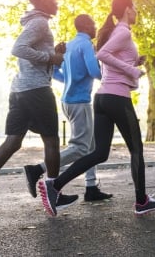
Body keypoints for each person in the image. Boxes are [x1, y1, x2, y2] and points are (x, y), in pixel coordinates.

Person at [38, 0, 155, 216]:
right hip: (117, 98)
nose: (136, 12)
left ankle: (54, 185)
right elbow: (103, 54)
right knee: (137, 149)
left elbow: (108, 60)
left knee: (99, 153)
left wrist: (133, 62)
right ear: (127, 9)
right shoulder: (123, 31)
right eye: (134, 8)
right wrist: (132, 70)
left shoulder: (116, 32)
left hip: (102, 98)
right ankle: (142, 201)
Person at [0, 0, 77, 220]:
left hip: (20, 90)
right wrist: (50, 57)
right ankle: (53, 191)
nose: (57, 3)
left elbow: (35, 56)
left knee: (13, 142)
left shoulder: (35, 22)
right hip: (36, 91)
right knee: (52, 140)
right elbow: (19, 49)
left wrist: (54, 53)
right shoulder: (40, 23)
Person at [23, 14, 112, 202]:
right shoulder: (86, 44)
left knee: (92, 147)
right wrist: (114, 73)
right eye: (93, 24)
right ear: (86, 26)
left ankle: (91, 187)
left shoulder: (69, 46)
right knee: (80, 148)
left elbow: (57, 73)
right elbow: (95, 71)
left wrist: (74, 79)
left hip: (67, 101)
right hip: (80, 102)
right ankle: (37, 169)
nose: (95, 27)